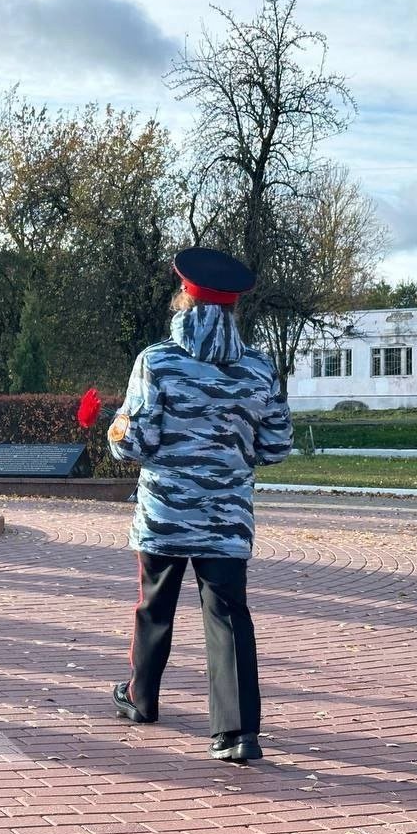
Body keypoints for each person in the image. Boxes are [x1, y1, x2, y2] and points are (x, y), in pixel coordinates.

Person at [107, 247, 293, 763]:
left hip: (166, 511)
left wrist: (114, 427)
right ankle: (236, 733)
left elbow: (135, 442)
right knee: (229, 615)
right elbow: (276, 446)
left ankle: (141, 701)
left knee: (154, 608)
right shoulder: (259, 368)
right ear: (232, 306)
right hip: (227, 515)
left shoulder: (157, 361)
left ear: (185, 297)